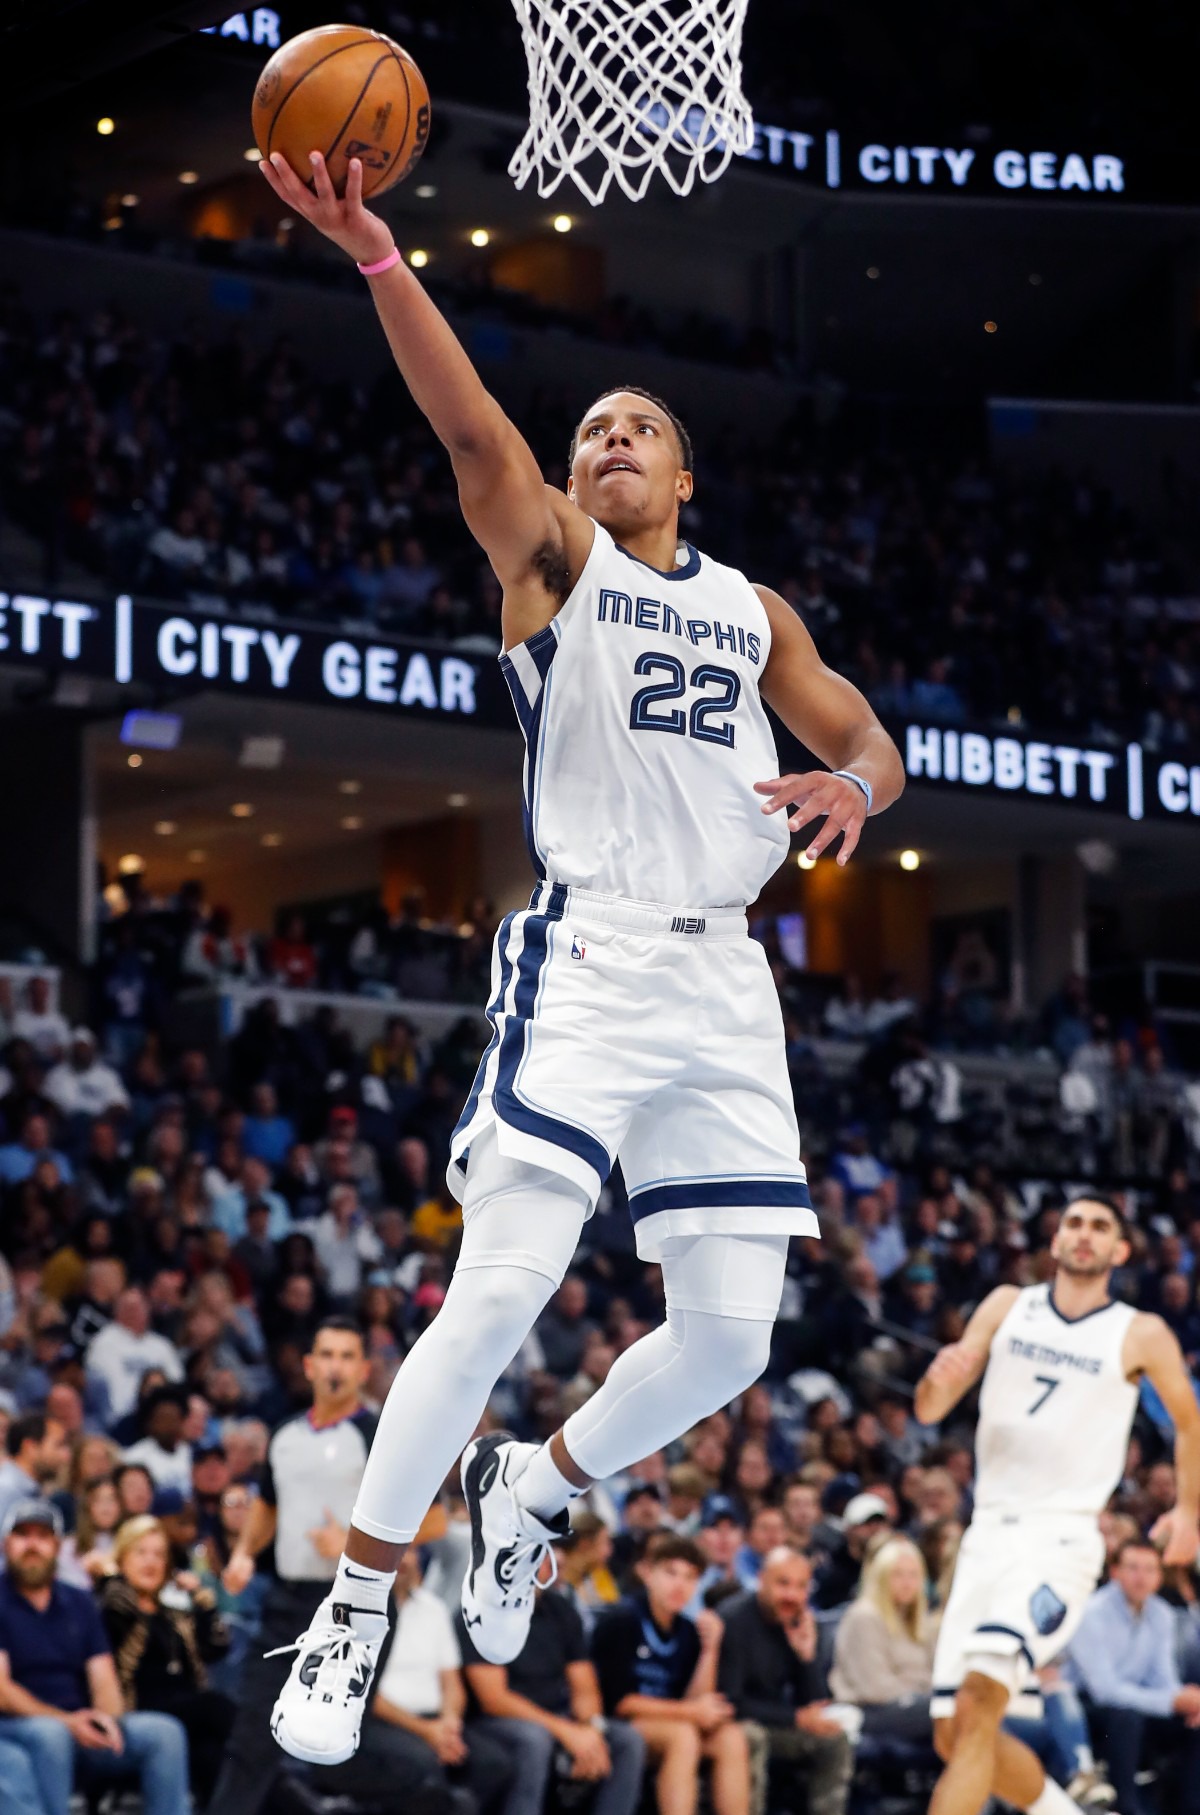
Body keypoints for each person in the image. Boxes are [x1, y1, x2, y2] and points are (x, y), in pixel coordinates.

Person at [256, 140, 904, 1770]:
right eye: (590, 429)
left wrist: (858, 784)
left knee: (739, 1338)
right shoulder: (557, 563)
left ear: (687, 479)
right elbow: (473, 435)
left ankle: (533, 1489)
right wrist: (382, 263)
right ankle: (353, 1608)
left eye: (641, 429)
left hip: (723, 978)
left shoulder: (756, 611)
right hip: (594, 951)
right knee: (497, 1296)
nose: (606, 437)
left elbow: (868, 739)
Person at [913, 1193, 1200, 1815]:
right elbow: (931, 1409)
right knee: (955, 1733)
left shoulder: (1138, 1331)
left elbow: (1186, 1417)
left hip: (1059, 1542)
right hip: (986, 1533)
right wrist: (939, 1375)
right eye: (1074, 1223)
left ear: (1120, 1251)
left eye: (1100, 1227)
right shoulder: (1006, 1306)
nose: (1084, 1234)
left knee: (984, 1700)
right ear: (1055, 1241)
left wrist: (1190, 1511)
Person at [0, 1498, 190, 1814]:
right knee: (51, 1736)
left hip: (80, 1724)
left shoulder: (79, 1601)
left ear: (58, 1546)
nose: (33, 1545)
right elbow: (2, 1691)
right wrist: (68, 1722)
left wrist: (106, 1718)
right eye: (23, 1535)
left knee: (163, 1732)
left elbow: (103, 1676)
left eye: (42, 1536)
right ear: (6, 1544)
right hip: (17, 1727)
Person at [460, 1572, 645, 1815]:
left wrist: (592, 1728)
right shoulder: (478, 1608)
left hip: (557, 1715)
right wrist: (565, 1731)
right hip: (495, 1722)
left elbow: (584, 1685)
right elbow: (494, 1699)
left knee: (626, 1739)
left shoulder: (559, 1608)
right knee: (534, 1739)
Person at [591, 1533, 750, 1815]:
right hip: (615, 1724)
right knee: (683, 1735)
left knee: (731, 1737)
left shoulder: (688, 1630)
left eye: (690, 1577)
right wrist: (690, 1712)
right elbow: (620, 1703)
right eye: (671, 1573)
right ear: (648, 1573)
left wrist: (710, 1650)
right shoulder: (621, 1620)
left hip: (669, 1719)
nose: (680, 1585)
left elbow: (697, 1702)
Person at [98, 1513, 235, 1808]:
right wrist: (110, 1574)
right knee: (220, 1709)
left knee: (215, 1758)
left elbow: (218, 1646)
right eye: (141, 1552)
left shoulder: (173, 1616)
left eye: (159, 1554)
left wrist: (199, 1595)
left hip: (189, 1719)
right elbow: (114, 1610)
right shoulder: (114, 1605)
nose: (151, 1562)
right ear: (122, 1558)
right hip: (138, 1713)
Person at [1065, 1537, 1200, 1815]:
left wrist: (1185, 1701)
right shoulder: (1092, 1613)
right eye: (1133, 1568)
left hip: (1136, 1704)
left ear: (1160, 1575)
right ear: (1115, 1572)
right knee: (1125, 1717)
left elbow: (1164, 1679)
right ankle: (1127, 1807)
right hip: (1085, 1708)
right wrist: (1171, 1701)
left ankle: (1191, 1806)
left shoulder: (1161, 1614)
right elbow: (1105, 1689)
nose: (1142, 1577)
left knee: (1194, 1720)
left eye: (1150, 1569)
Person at [717, 1544, 853, 1815]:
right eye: (783, 1583)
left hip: (777, 1723)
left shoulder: (796, 1621)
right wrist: (796, 1718)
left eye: (801, 1587)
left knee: (834, 1740)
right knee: (750, 1737)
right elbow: (730, 1702)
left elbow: (815, 1704)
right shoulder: (732, 1620)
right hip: (733, 1726)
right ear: (761, 1580)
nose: (791, 1595)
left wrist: (807, 1656)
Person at [829, 1535, 937, 1743]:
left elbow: (935, 1676)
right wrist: (920, 1693)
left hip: (915, 1706)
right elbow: (875, 1688)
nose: (907, 1583)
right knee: (946, 1715)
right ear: (881, 1577)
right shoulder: (864, 1616)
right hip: (869, 1711)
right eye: (898, 1575)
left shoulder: (922, 1622)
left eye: (913, 1575)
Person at [0, 1414, 71, 1532]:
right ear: (30, 1447)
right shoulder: (5, 1491)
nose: (66, 1456)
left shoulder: (33, 1491)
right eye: (59, 1445)